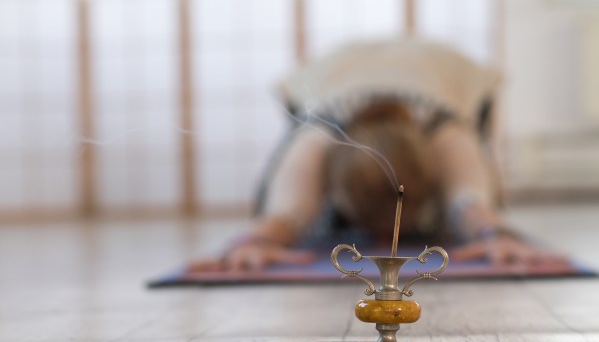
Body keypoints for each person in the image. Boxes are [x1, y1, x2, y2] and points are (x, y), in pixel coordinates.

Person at [191, 39, 564, 271]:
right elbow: (288, 211)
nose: (385, 237)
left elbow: (470, 201)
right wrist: (257, 242)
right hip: (337, 74)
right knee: (301, 201)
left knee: (468, 172)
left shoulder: (445, 132)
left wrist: (491, 232)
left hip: (442, 73)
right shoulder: (320, 138)